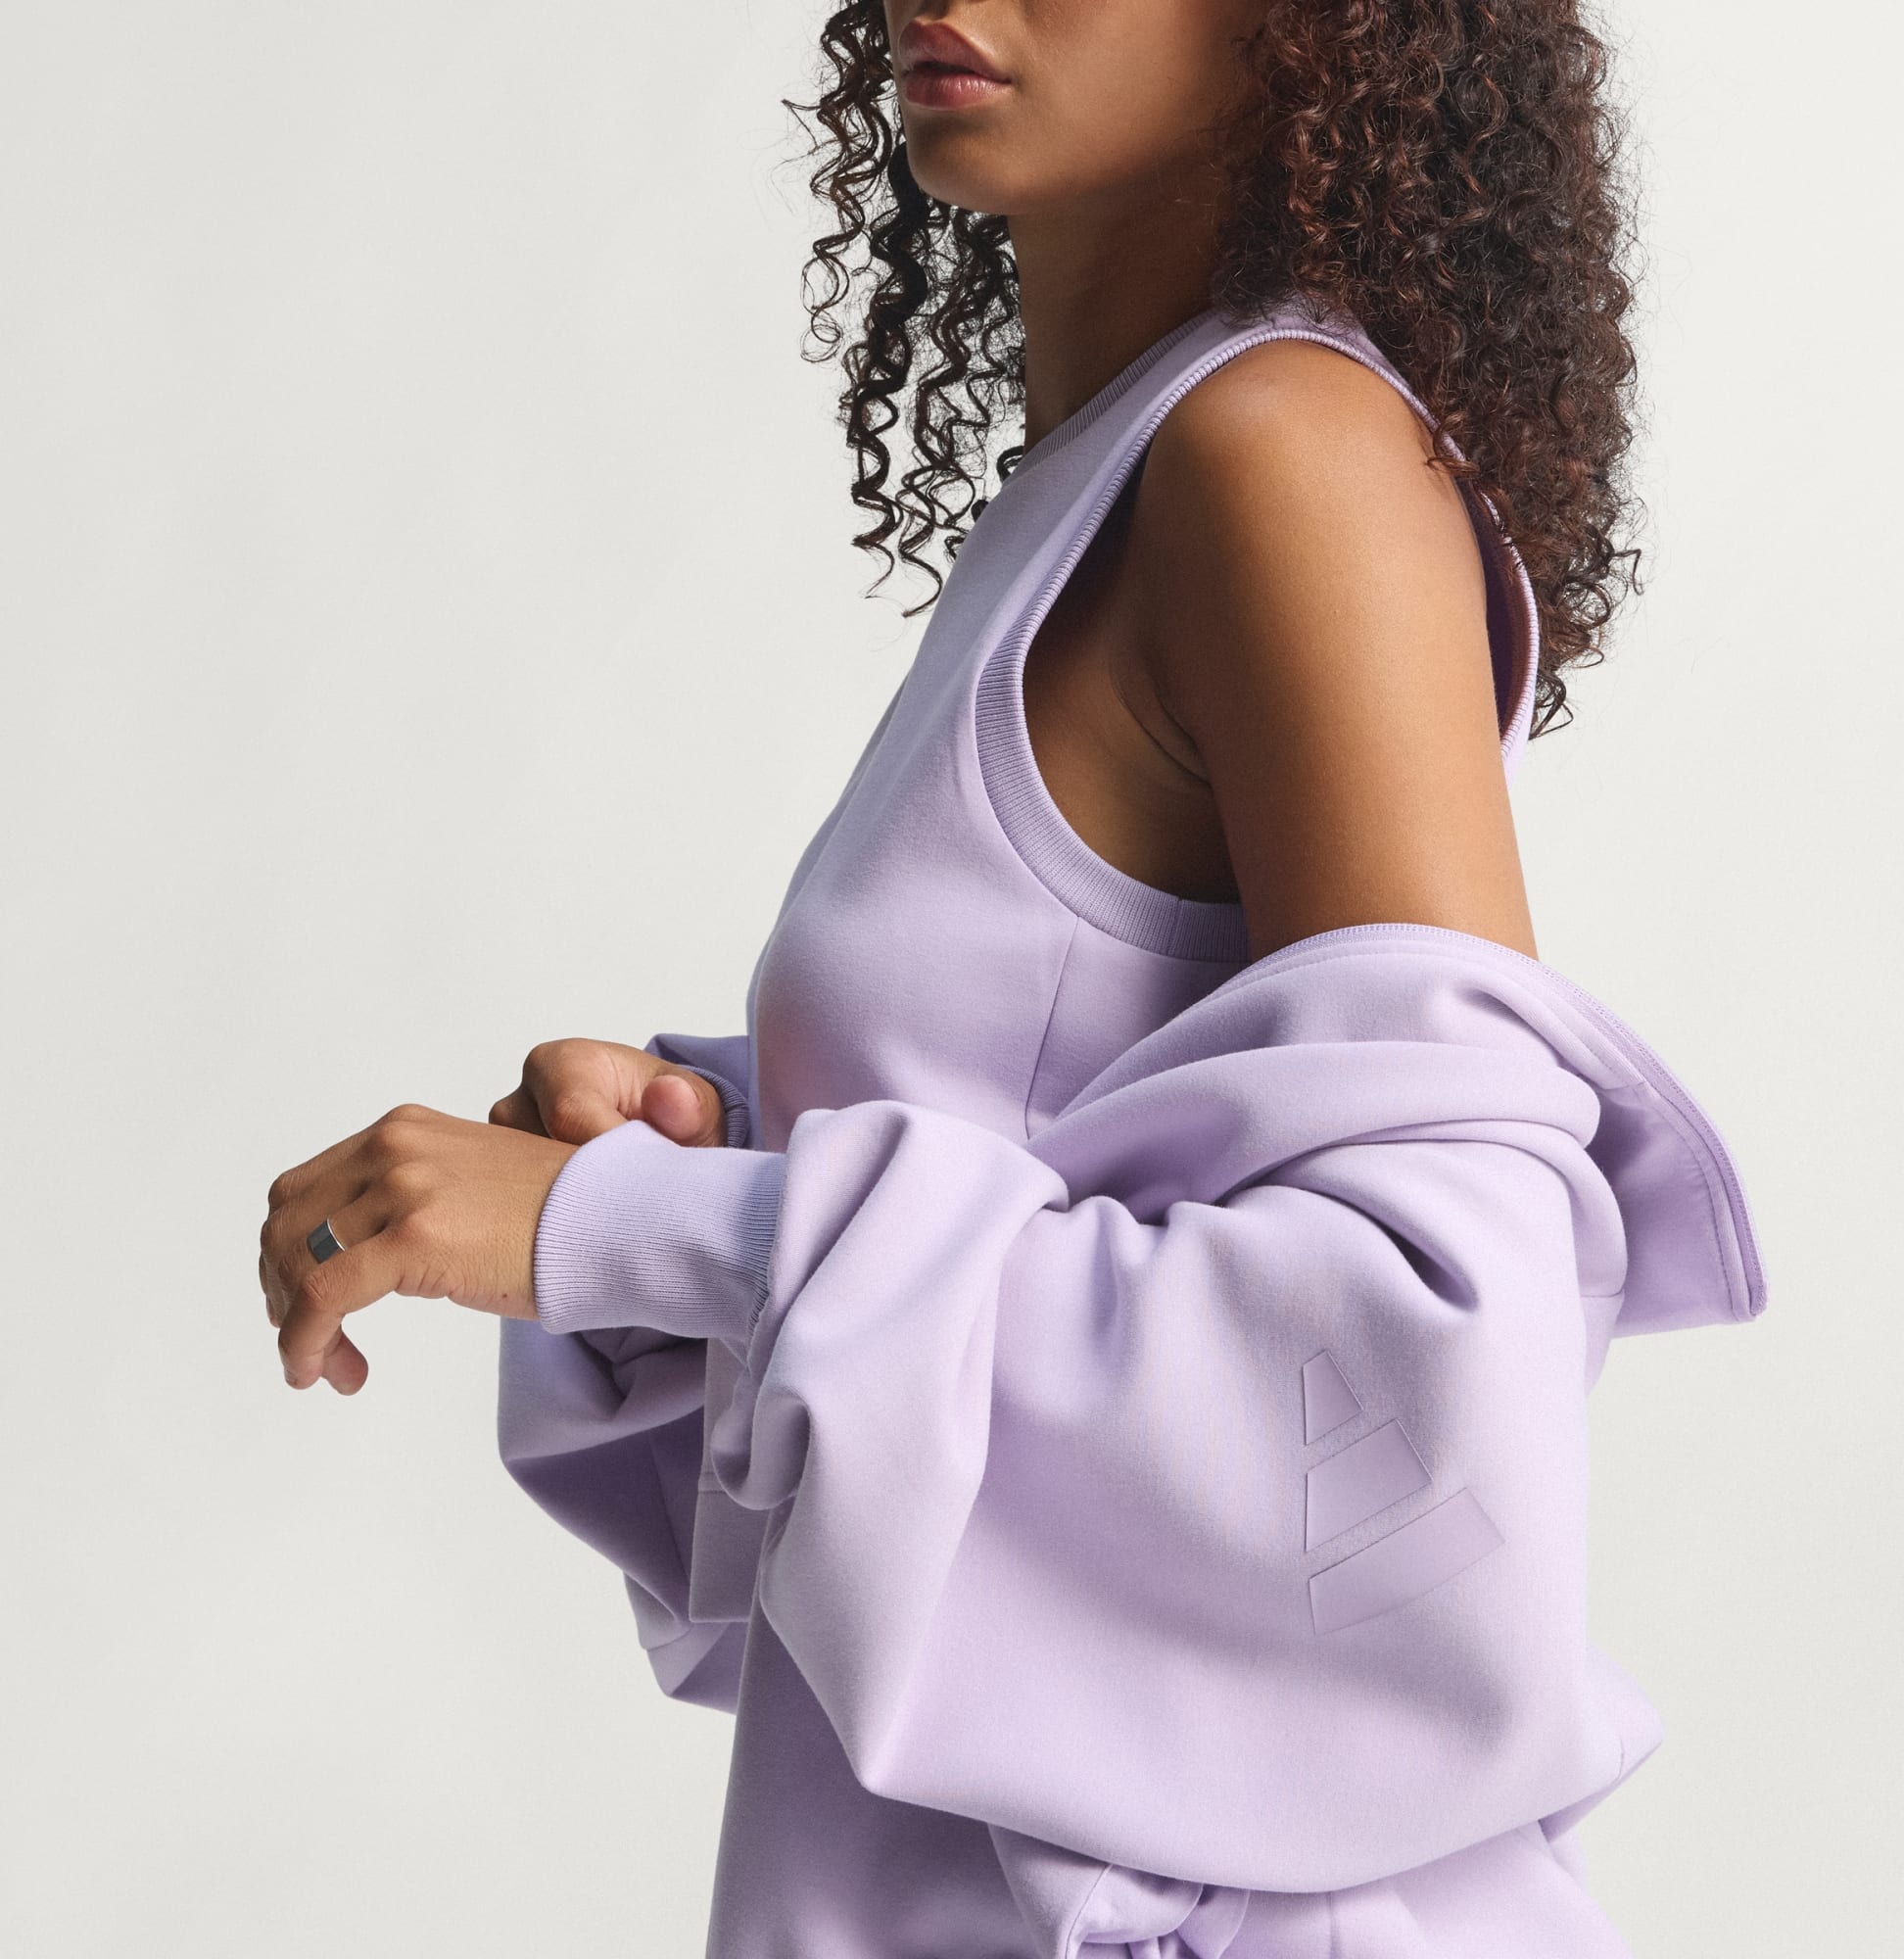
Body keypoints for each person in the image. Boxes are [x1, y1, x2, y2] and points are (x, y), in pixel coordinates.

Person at [259, 5, 1767, 1953]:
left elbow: (1427, 1375)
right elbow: (1075, 1160)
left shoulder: (1285, 459)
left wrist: (650, 1231)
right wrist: (705, 1152)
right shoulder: (1114, 482)